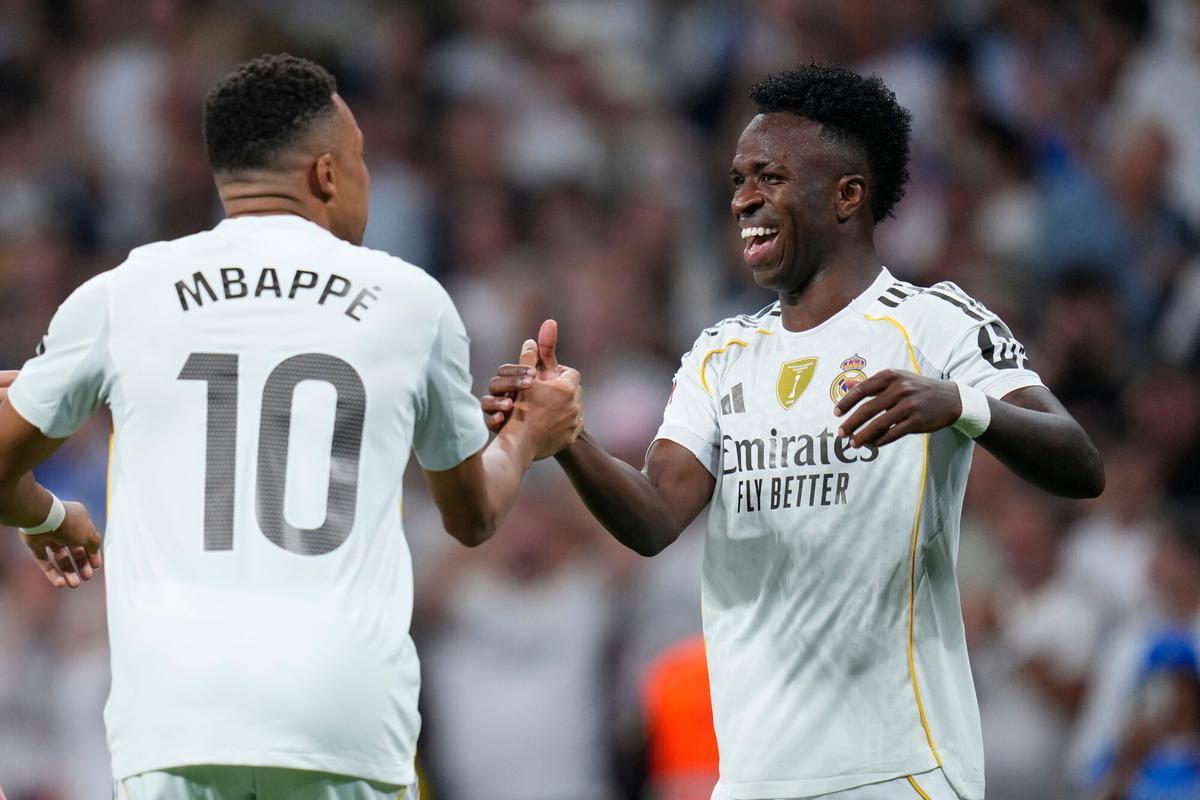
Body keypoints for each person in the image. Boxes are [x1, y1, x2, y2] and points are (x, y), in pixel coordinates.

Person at [483, 63, 1104, 800]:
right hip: (754, 777)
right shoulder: (720, 355)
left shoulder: (933, 322)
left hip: (899, 768)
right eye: (739, 178)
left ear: (847, 196)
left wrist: (960, 404)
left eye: (770, 177)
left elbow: (1080, 461)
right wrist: (569, 440)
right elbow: (654, 517)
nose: (744, 198)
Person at [0, 53, 583, 799]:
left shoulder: (122, 293)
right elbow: (472, 515)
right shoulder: (411, 302)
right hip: (341, 722)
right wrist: (533, 431)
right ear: (327, 174)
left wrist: (45, 515)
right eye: (363, 158)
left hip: (173, 723)